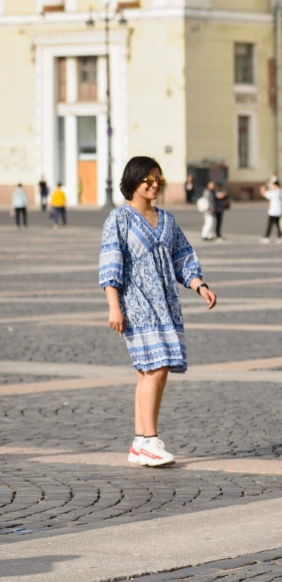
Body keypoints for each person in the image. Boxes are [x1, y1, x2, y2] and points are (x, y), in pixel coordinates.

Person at [100, 156, 218, 467]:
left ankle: (140, 442)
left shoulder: (166, 219)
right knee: (157, 367)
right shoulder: (119, 219)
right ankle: (150, 440)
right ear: (133, 182)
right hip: (136, 304)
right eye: (147, 179)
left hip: (166, 304)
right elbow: (111, 263)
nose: (154, 184)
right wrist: (114, 306)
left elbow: (183, 256)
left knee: (149, 372)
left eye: (157, 178)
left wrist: (199, 285)